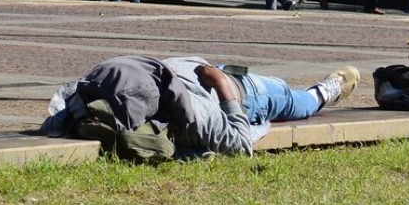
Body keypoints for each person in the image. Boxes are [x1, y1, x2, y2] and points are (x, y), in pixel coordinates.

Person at [47, 55, 359, 157]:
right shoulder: (193, 111)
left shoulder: (192, 110)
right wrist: (221, 83)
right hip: (228, 84)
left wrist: (221, 83)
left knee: (297, 100)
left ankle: (324, 90)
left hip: (231, 83)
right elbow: (238, 142)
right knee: (297, 101)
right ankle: (323, 91)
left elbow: (239, 144)